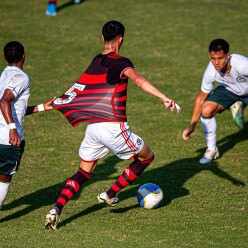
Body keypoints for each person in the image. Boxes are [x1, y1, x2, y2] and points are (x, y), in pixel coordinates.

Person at [45, 20, 181, 230]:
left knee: (83, 172)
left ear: (102, 38)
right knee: (146, 157)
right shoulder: (122, 62)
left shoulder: (96, 60)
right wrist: (163, 97)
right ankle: (109, 194)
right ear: (121, 39)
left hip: (93, 128)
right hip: (114, 128)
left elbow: (82, 87)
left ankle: (56, 208)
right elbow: (138, 80)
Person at [0, 41, 55, 209]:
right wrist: (12, 129)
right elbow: (4, 101)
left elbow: (15, 108)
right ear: (24, 57)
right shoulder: (21, 77)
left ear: (5, 58)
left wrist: (41, 107)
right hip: (7, 140)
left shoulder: (3, 76)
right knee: (4, 178)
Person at [182, 38, 248, 164]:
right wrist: (192, 125)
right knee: (206, 109)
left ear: (228, 56)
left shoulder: (243, 64)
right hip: (230, 91)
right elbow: (201, 98)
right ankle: (212, 149)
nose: (216, 63)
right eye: (213, 58)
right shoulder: (211, 71)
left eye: (220, 58)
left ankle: (240, 104)